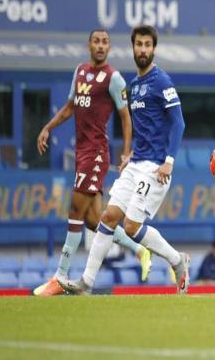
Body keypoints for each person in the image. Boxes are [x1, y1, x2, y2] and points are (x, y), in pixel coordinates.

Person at [59, 25, 190, 295]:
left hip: (155, 167)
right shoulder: (135, 84)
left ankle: (178, 260)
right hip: (136, 163)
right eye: (139, 44)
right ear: (133, 47)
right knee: (108, 218)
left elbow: (178, 123)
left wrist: (169, 161)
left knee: (130, 227)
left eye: (147, 45)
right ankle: (86, 283)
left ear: (154, 49)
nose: (143, 50)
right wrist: (129, 154)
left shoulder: (161, 81)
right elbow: (143, 127)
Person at [33, 30, 151, 296]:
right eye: (96, 41)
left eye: (105, 42)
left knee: (75, 211)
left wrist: (126, 153)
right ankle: (139, 250)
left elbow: (126, 117)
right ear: (89, 45)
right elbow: (70, 107)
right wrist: (48, 128)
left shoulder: (113, 78)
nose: (100, 46)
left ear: (109, 47)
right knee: (93, 220)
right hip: (81, 152)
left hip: (96, 154)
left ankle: (60, 276)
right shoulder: (80, 72)